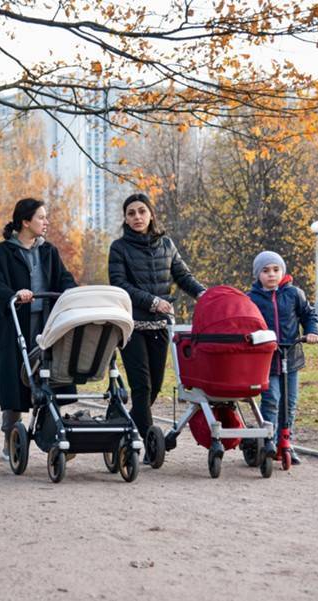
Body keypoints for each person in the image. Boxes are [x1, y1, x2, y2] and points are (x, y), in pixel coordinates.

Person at [108, 193, 205, 463]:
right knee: (142, 386)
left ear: (151, 214)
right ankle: (146, 443)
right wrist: (152, 301)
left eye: (142, 211)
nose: (137, 217)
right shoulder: (119, 248)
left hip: (161, 326)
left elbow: (183, 275)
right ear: (125, 218)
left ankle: (119, 423)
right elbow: (119, 284)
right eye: (131, 213)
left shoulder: (166, 244)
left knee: (156, 386)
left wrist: (204, 294)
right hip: (132, 326)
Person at [0, 198, 77, 460]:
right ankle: (10, 438)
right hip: (14, 326)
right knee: (14, 383)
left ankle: (54, 436)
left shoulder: (49, 251)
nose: (46, 222)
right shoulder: (3, 252)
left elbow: (63, 278)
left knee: (48, 377)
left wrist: (73, 294)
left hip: (45, 325)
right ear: (25, 221)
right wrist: (13, 294)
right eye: (41, 217)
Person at [247, 251, 318, 464]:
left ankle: (285, 443)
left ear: (283, 271)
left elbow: (309, 315)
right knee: (271, 401)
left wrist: (312, 331)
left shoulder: (294, 294)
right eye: (266, 271)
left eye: (276, 270)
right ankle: (267, 443)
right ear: (257, 274)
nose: (271, 274)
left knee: (289, 403)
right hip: (266, 361)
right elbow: (246, 323)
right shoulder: (251, 299)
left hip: (291, 356)